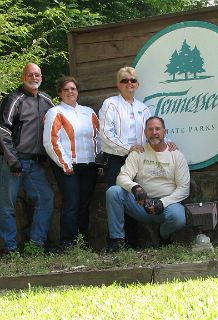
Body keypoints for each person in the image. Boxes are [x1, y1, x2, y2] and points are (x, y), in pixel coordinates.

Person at [105, 116, 190, 253]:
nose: (154, 132)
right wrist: (135, 187)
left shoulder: (176, 155)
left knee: (179, 218)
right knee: (113, 192)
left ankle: (163, 236)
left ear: (164, 131)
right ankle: (117, 241)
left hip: (167, 206)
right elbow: (122, 177)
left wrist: (163, 203)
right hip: (141, 203)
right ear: (145, 133)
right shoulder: (139, 153)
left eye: (157, 129)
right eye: (150, 129)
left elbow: (184, 189)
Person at [0, 62, 54, 254]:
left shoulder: (47, 101)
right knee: (7, 205)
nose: (34, 78)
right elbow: (3, 130)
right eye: (30, 74)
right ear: (23, 77)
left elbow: (56, 127)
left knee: (46, 199)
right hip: (13, 162)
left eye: (37, 75)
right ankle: (10, 248)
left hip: (36, 163)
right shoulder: (14, 99)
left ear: (41, 77)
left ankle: (36, 245)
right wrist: (12, 159)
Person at [43, 76, 99, 249]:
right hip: (67, 166)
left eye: (73, 89)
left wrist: (100, 162)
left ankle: (82, 241)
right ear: (60, 93)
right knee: (72, 203)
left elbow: (98, 137)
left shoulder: (88, 112)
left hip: (89, 165)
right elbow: (51, 141)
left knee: (84, 204)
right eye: (66, 89)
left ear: (78, 91)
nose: (70, 92)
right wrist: (65, 164)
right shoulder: (55, 112)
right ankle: (67, 242)